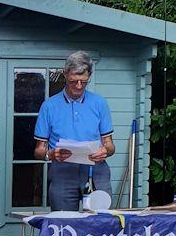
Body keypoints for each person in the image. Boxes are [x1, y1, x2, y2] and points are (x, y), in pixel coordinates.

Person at [33, 51, 115, 211]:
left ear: (89, 76)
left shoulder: (100, 103)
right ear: (65, 75)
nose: (78, 86)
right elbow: (38, 150)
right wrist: (51, 154)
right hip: (62, 172)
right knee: (63, 226)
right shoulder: (49, 106)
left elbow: (110, 145)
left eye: (83, 82)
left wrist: (105, 151)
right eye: (73, 81)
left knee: (100, 223)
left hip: (96, 170)